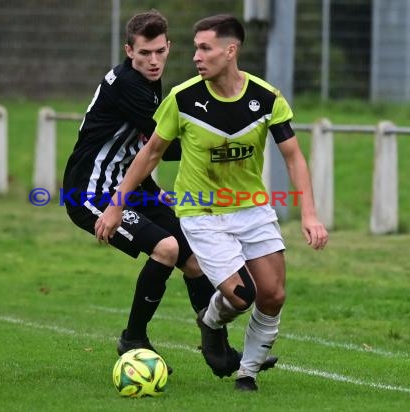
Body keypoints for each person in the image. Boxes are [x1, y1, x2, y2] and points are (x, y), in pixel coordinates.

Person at [95, 14, 328, 391]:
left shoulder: (266, 98)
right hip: (201, 213)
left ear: (230, 50)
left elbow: (294, 157)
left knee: (273, 294)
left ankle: (247, 373)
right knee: (241, 296)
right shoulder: (182, 98)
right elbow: (150, 154)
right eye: (196, 48)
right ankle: (210, 322)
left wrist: (310, 214)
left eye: (205, 48)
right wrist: (118, 204)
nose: (195, 57)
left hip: (252, 209)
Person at [63, 10, 258, 378]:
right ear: (128, 51)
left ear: (168, 47)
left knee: (196, 260)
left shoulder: (150, 84)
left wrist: (154, 192)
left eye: (159, 52)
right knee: (167, 248)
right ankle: (133, 338)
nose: (153, 61)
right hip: (91, 192)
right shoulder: (127, 84)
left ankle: (214, 342)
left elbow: (139, 147)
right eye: (144, 54)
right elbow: (164, 146)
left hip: (129, 187)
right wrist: (222, 142)